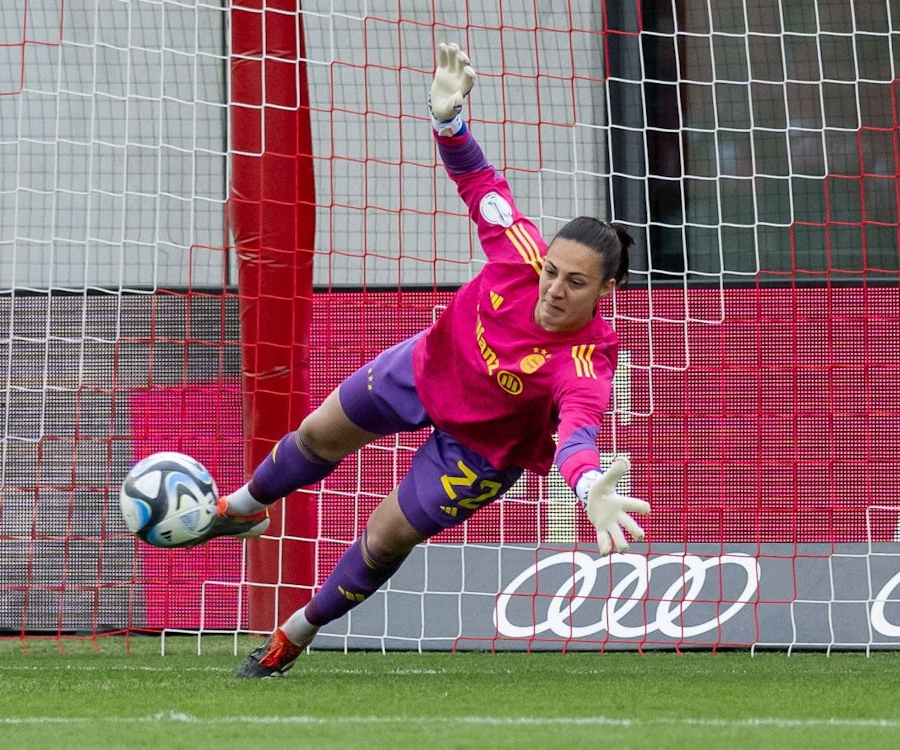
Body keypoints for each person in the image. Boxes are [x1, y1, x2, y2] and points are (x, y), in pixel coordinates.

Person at [205, 42, 651, 678]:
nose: (554, 288)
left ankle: (295, 634)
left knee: (387, 535)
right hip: (423, 369)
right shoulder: (517, 251)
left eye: (575, 284)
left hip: (477, 451)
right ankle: (242, 507)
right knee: (316, 434)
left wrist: (586, 485)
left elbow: (578, 433)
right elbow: (479, 182)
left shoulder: (584, 363)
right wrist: (448, 119)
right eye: (552, 271)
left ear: (605, 291)